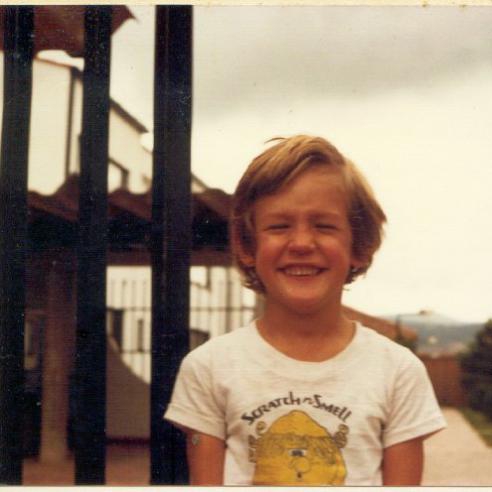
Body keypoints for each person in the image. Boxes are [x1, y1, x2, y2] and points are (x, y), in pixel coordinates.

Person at [164, 135, 446, 486]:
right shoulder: (207, 368)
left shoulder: (399, 372)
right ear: (247, 246)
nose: (301, 243)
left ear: (359, 245)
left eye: (324, 226)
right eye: (279, 226)